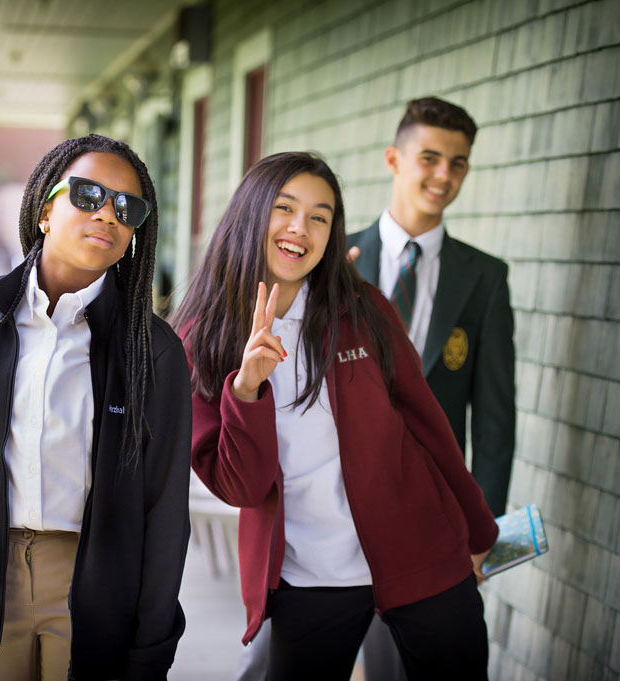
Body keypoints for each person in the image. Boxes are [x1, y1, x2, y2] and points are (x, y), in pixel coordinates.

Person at [172, 151, 499, 681]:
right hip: (308, 577)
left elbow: (429, 426)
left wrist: (479, 532)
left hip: (421, 553)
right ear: (250, 213)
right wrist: (249, 387)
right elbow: (240, 487)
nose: (300, 228)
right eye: (285, 208)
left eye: (320, 217)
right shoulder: (199, 339)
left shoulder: (364, 309)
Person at [0, 134, 192, 681]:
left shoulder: (153, 350)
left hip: (93, 585)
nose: (108, 215)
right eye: (88, 195)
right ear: (47, 208)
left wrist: (153, 643)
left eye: (127, 207)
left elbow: (165, 511)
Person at [348, 97, 516, 681]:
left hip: (434, 515)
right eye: (430, 158)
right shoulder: (333, 259)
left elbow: (495, 423)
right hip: (338, 503)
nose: (444, 175)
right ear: (395, 159)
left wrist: (483, 531)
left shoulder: (485, 278)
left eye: (460, 163)